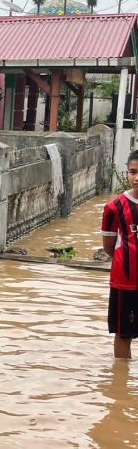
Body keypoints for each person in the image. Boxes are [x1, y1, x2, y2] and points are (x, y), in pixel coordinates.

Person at [100, 150, 138, 360]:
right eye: (133, 172)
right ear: (127, 173)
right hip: (126, 283)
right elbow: (109, 246)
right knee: (124, 334)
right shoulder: (114, 207)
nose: (137, 178)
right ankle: (120, 381)